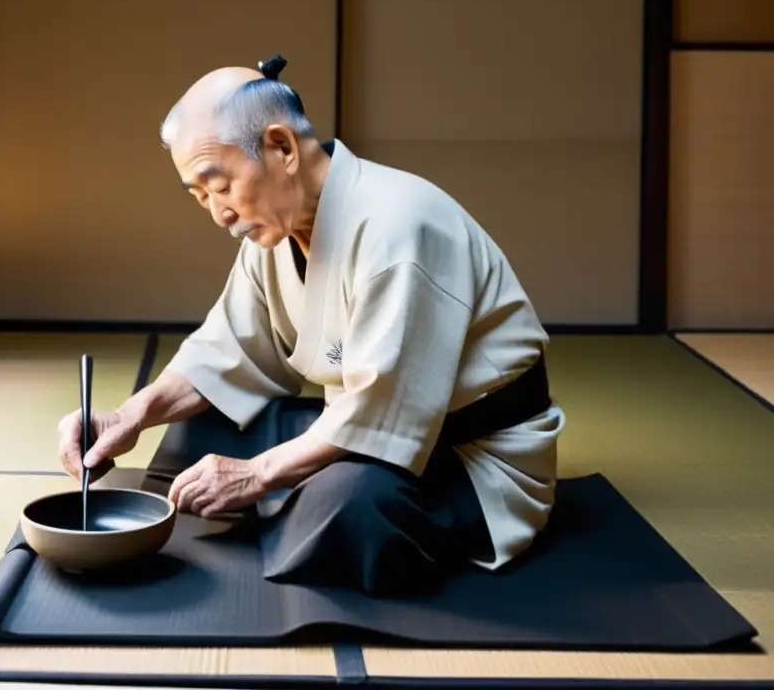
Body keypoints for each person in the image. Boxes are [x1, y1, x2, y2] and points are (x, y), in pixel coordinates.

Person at [57, 54, 565, 596]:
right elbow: (228, 350)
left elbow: (382, 412)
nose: (217, 213)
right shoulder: (274, 229)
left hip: (471, 455)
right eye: (200, 196)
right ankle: (278, 500)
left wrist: (257, 474)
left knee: (346, 505)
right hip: (374, 423)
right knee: (200, 424)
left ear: (281, 148)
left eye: (220, 185)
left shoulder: (399, 226)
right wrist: (131, 415)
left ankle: (290, 509)